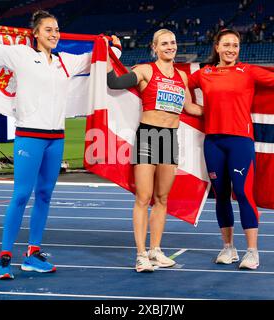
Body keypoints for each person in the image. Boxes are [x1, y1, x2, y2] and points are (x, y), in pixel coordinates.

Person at [0, 11, 121, 280]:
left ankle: (32, 254)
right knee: (20, 196)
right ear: (36, 33)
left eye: (57, 30)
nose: (54, 34)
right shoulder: (21, 55)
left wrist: (113, 48)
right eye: (49, 29)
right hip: (29, 136)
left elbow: (96, 60)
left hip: (56, 139)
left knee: (44, 196)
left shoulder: (65, 62)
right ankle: (5, 258)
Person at [189, 29, 274, 270]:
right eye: (227, 44)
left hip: (240, 142)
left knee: (243, 193)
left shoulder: (248, 72)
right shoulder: (204, 73)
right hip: (213, 142)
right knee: (220, 195)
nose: (231, 49)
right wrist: (197, 109)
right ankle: (228, 248)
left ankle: (252, 252)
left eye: (235, 45)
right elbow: (178, 83)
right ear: (217, 47)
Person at [105, 29, 203, 272]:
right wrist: (106, 52)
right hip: (149, 135)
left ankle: (156, 250)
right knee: (144, 197)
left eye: (173, 42)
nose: (170, 47)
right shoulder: (146, 70)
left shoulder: (182, 77)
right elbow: (115, 82)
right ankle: (141, 255)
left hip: (170, 137)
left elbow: (190, 107)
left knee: (162, 198)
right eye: (165, 43)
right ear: (155, 48)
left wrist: (223, 108)